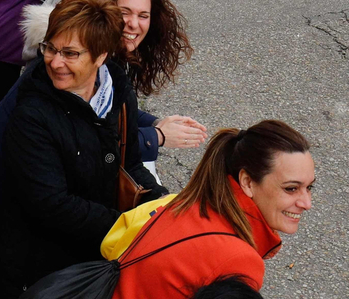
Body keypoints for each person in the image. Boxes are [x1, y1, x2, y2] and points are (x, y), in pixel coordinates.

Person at [0, 0, 167, 297]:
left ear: (100, 56)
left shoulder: (118, 89)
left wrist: (159, 205)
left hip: (92, 257)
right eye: (51, 48)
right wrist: (127, 225)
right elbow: (51, 204)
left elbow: (130, 165)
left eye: (70, 54)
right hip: (40, 271)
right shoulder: (32, 115)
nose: (55, 62)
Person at [112, 120, 315, 299]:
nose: (306, 203)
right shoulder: (239, 260)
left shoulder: (187, 204)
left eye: (309, 187)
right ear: (248, 182)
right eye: (291, 189)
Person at [103, 0, 206, 180]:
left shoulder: (114, 55)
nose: (133, 23)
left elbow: (120, 110)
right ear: (105, 9)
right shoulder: (94, 61)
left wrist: (156, 123)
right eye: (124, 12)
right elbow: (99, 149)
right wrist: (158, 136)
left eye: (143, 16)